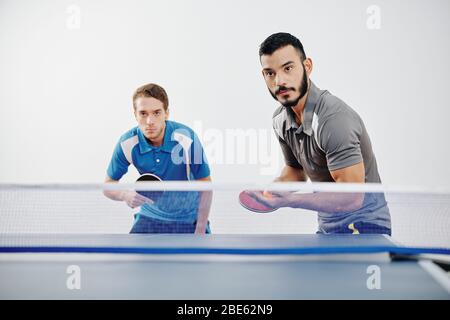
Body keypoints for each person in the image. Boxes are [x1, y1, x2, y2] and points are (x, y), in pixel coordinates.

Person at [247, 32, 391, 235]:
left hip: (365, 226)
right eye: (270, 73)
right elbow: (295, 171)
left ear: (307, 66)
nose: (279, 81)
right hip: (327, 228)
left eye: (288, 68)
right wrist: (270, 191)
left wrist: (290, 201)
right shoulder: (280, 120)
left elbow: (351, 197)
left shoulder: (333, 119)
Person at [104, 83, 212, 234]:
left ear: (166, 113)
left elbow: (206, 187)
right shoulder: (127, 143)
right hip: (150, 216)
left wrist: (200, 228)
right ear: (135, 114)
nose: (150, 121)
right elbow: (108, 185)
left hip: (189, 218)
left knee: (198, 256)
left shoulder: (187, 138)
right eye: (143, 113)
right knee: (129, 256)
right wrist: (125, 195)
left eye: (156, 113)